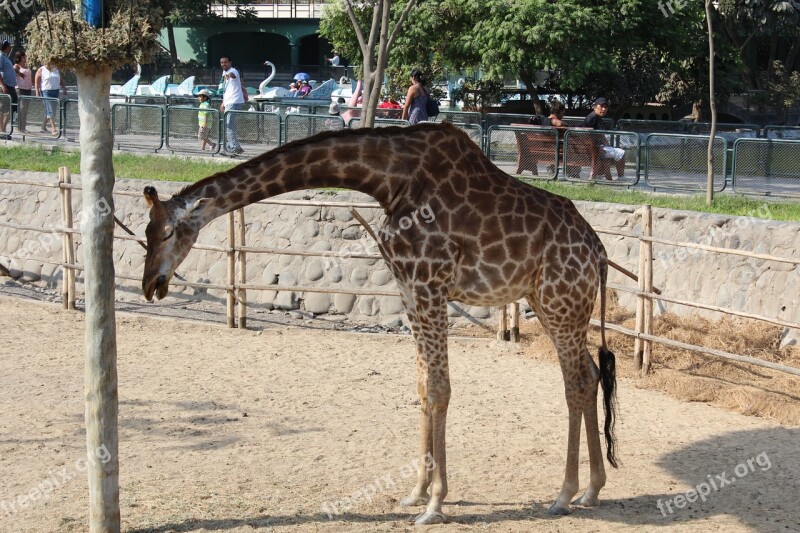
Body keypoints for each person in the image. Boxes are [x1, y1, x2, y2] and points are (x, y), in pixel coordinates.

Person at [582, 97, 625, 179]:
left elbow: (601, 136)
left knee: (611, 152)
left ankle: (602, 175)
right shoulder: (593, 117)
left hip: (593, 148)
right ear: (595, 107)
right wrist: (600, 147)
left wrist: (608, 146)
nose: (604, 109)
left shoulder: (596, 117)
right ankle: (621, 178)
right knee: (621, 153)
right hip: (594, 149)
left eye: (606, 107)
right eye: (601, 106)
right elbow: (588, 135)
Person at [219, 54, 248, 155]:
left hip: (233, 102)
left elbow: (233, 75)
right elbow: (226, 90)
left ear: (230, 62)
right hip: (229, 102)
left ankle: (234, 148)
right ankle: (232, 147)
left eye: (225, 62)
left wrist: (229, 75)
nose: (224, 64)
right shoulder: (224, 72)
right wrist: (223, 103)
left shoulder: (233, 71)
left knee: (229, 127)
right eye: (222, 62)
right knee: (230, 126)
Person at [34, 61, 66, 135]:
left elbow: (60, 80)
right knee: (50, 110)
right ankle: (53, 128)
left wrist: (64, 88)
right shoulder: (41, 70)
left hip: (55, 91)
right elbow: (36, 82)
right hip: (46, 91)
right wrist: (37, 92)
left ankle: (43, 127)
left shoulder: (56, 69)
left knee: (50, 110)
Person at [0, 40, 17, 139]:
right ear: (6, 47)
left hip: (10, 86)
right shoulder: (1, 56)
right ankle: (1, 130)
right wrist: (2, 85)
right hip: (5, 86)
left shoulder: (5, 57)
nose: (10, 48)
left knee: (13, 107)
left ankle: (3, 128)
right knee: (3, 108)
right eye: (9, 46)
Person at [13, 51, 32, 133]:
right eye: (23, 57)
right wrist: (18, 73)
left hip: (28, 89)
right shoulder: (17, 66)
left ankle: (23, 127)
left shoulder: (27, 65)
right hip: (20, 88)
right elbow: (13, 72)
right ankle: (19, 126)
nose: (25, 58)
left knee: (26, 109)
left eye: (25, 57)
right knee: (22, 108)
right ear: (19, 57)